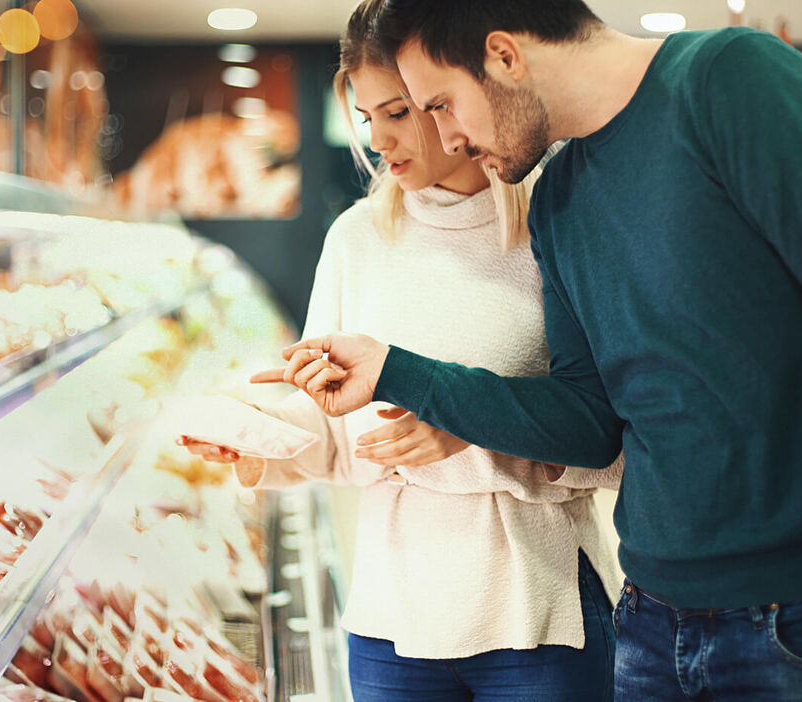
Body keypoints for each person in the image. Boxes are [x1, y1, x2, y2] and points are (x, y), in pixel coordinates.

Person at [255, 2, 802, 701]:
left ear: (503, 56)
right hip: (650, 618)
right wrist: (396, 373)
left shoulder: (733, 80)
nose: (449, 136)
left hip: (798, 615)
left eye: (440, 104)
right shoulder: (559, 199)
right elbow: (587, 421)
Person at [181, 3, 623, 699]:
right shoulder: (356, 239)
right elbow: (342, 436)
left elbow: (610, 441)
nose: (381, 140)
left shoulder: (556, 225)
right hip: (393, 619)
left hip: (536, 614)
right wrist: (256, 432)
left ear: (451, 97)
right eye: (368, 120)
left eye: (401, 111)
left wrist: (468, 432)